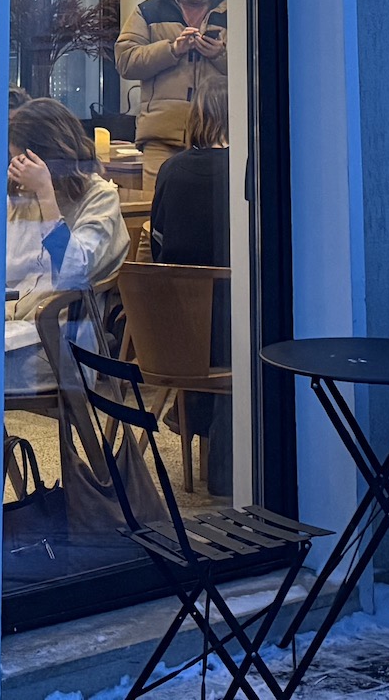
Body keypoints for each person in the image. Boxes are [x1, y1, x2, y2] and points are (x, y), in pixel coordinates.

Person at [3, 99, 129, 394]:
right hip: (13, 330)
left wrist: (45, 193)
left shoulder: (100, 198)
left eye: (21, 161)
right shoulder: (20, 197)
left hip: (57, 342)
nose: (16, 169)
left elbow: (74, 269)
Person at [147, 97, 234, 492]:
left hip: (174, 333)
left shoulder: (171, 169)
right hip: (230, 333)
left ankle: (189, 413)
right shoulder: (246, 169)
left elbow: (159, 246)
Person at [117, 0, 227, 184]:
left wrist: (220, 55)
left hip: (220, 135)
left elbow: (256, 67)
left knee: (216, 207)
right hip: (162, 137)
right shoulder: (148, 11)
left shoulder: (236, 10)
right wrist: (172, 50)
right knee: (157, 204)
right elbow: (125, 61)